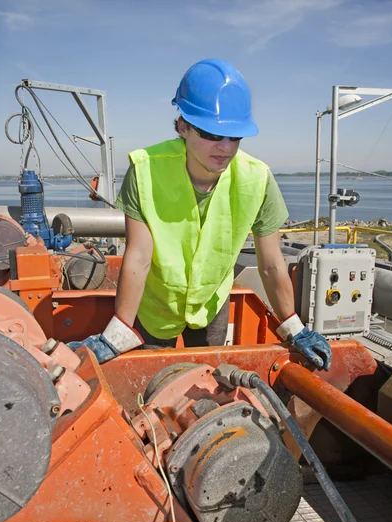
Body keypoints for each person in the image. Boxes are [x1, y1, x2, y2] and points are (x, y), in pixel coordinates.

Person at [69, 58, 331, 371]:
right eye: (211, 134)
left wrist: (293, 327)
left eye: (234, 137)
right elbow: (138, 255)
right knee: (152, 382)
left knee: (208, 381)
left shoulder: (257, 180)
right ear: (183, 127)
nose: (224, 148)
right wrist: (118, 331)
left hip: (211, 304)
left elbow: (272, 263)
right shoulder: (145, 171)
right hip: (156, 304)